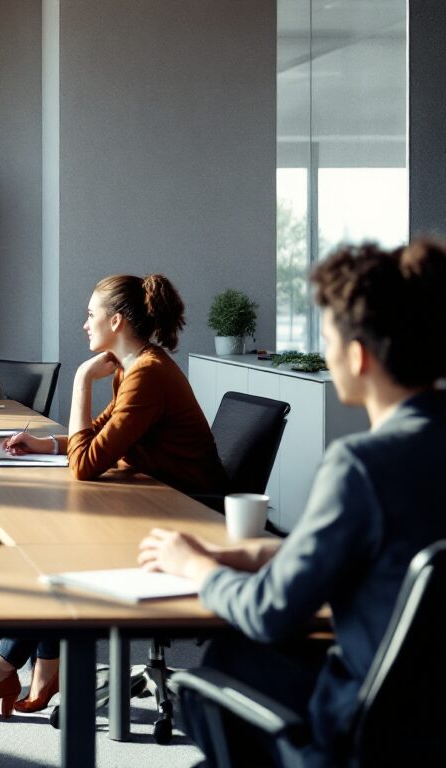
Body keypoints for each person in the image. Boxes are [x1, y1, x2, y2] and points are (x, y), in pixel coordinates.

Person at [139, 240, 446, 765]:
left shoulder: (362, 465)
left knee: (229, 660)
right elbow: (384, 555)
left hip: (364, 732)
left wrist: (195, 567)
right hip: (428, 722)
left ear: (357, 356)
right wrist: (247, 554)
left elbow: (269, 612)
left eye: (328, 340)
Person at [0, 273, 226, 717]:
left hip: (180, 518)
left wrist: (81, 381)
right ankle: (36, 669)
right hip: (149, 501)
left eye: (91, 315)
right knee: (51, 548)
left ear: (116, 321)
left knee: (54, 552)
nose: (84, 324)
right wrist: (45, 444)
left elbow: (86, 463)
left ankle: (8, 669)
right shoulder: (135, 368)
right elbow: (98, 438)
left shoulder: (147, 374)